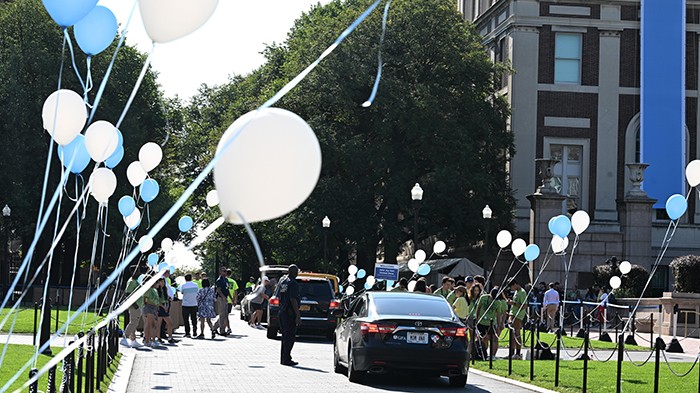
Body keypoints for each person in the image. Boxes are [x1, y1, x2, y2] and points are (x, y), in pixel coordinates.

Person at [278, 264, 301, 366]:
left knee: (285, 336)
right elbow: (293, 299)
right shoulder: (293, 283)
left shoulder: (283, 282)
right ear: (294, 272)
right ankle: (286, 358)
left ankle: (284, 358)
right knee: (290, 337)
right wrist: (297, 315)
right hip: (289, 313)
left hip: (282, 312)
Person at [121, 268, 144, 348]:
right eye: (137, 271)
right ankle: (124, 337)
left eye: (139, 271)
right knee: (133, 322)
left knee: (134, 323)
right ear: (132, 272)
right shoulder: (131, 282)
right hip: (134, 306)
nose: (139, 273)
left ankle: (133, 340)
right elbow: (127, 294)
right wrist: (135, 305)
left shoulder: (135, 281)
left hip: (138, 304)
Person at [507, 278, 527, 359]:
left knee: (517, 333)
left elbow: (524, 305)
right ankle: (511, 353)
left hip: (518, 315)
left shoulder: (522, 292)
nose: (511, 289)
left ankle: (518, 353)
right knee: (512, 334)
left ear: (514, 284)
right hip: (512, 314)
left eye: (511, 287)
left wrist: (513, 303)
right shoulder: (516, 292)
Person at [142, 277, 161, 348]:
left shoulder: (154, 290)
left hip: (154, 308)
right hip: (149, 307)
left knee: (152, 324)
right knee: (152, 324)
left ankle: (149, 340)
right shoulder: (148, 290)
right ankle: (151, 340)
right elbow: (145, 300)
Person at [157, 278, 177, 344]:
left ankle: (169, 337)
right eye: (161, 282)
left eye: (163, 282)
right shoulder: (157, 290)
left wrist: (167, 304)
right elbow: (158, 300)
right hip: (160, 307)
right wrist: (163, 307)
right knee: (160, 323)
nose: (162, 283)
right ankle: (159, 337)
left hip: (165, 305)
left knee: (169, 323)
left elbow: (167, 298)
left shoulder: (165, 289)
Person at [180, 274, 199, 338]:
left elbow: (182, 292)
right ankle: (195, 331)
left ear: (185, 279)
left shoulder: (183, 286)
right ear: (191, 278)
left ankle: (187, 332)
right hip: (194, 303)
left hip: (185, 304)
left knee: (186, 319)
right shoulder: (196, 285)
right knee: (194, 318)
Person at [214, 267, 232, 335]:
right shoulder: (219, 280)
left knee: (225, 314)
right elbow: (219, 290)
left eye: (226, 271)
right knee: (222, 314)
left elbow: (227, 290)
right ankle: (222, 330)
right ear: (221, 272)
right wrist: (223, 297)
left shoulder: (226, 280)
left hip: (225, 298)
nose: (225, 272)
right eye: (224, 271)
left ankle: (214, 327)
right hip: (221, 298)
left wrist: (231, 298)